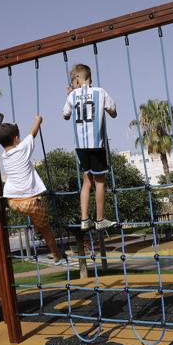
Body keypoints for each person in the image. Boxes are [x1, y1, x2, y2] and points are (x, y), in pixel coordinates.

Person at [0, 117, 64, 265]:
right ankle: (56, 254)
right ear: (16, 139)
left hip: (13, 202)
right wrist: (38, 121)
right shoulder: (22, 148)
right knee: (46, 229)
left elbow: (10, 139)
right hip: (31, 201)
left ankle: (36, 226)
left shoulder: (4, 156)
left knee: (36, 220)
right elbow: (33, 133)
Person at [62, 64, 118, 231]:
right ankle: (100, 219)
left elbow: (65, 115)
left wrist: (71, 94)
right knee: (100, 182)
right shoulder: (100, 92)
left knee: (87, 181)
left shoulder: (72, 96)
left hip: (80, 146)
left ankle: (85, 219)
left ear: (76, 80)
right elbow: (114, 112)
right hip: (96, 144)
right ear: (89, 79)